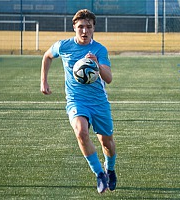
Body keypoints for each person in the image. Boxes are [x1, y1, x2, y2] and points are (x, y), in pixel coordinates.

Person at [40, 9, 117, 194]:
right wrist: (43, 80)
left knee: (107, 143)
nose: (84, 31)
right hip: (76, 101)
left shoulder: (99, 49)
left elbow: (109, 78)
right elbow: (47, 56)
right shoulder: (63, 46)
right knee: (81, 132)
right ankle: (99, 174)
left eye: (88, 27)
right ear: (74, 27)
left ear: (93, 28)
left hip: (99, 103)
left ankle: (110, 169)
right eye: (81, 27)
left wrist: (97, 63)